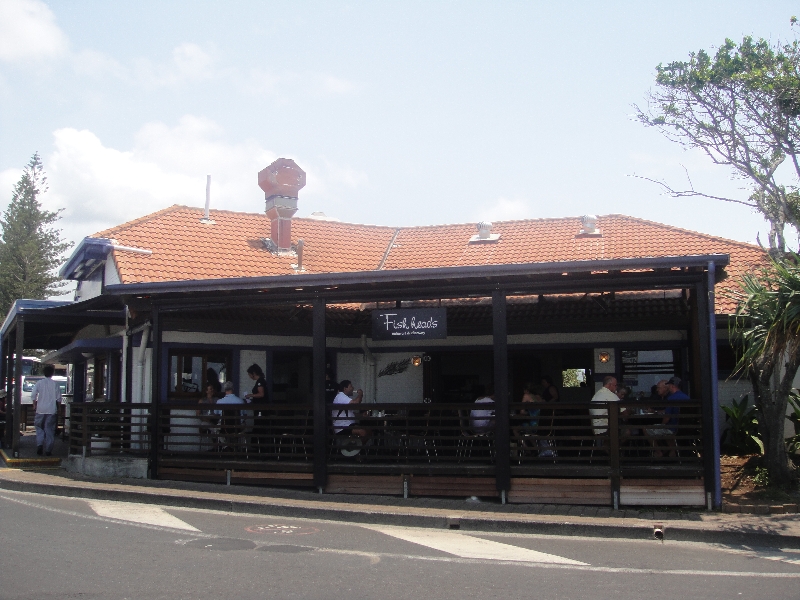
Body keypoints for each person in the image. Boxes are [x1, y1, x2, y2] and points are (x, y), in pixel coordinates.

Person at [31, 365, 62, 456]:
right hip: (51, 410)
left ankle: (39, 445)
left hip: (40, 409)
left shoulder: (39, 383)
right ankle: (48, 450)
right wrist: (59, 408)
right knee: (49, 430)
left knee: (39, 428)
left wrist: (34, 404)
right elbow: (59, 398)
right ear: (52, 373)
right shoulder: (55, 384)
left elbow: (33, 395)